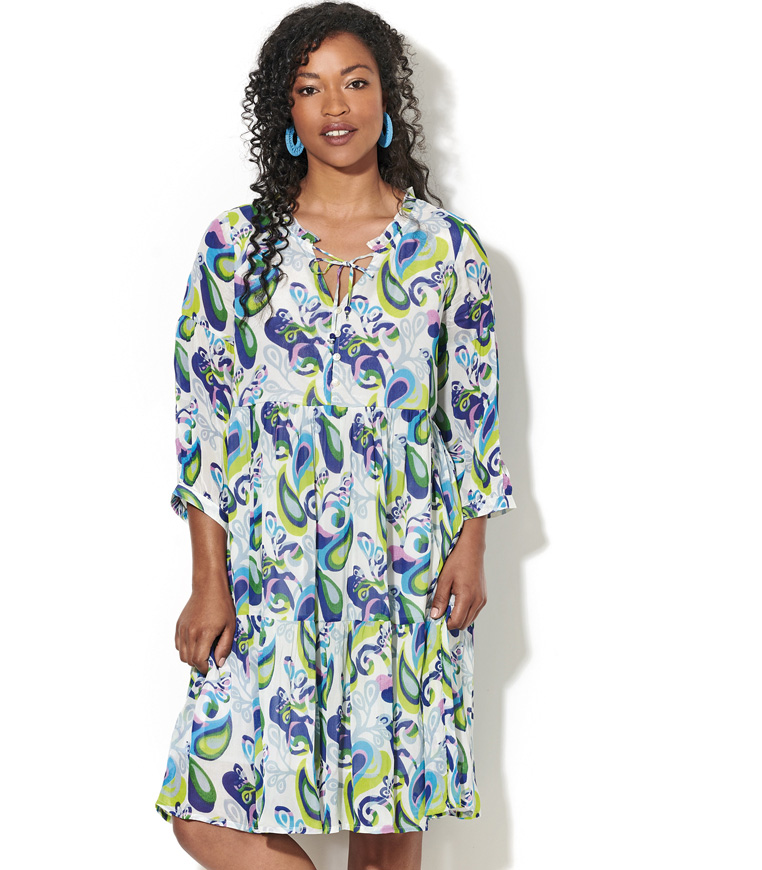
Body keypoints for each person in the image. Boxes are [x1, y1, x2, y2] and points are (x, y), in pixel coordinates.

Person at [153, 3, 516, 868]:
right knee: (204, 811)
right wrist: (208, 583)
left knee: (387, 819)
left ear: (388, 97)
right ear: (285, 110)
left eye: (355, 82)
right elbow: (203, 421)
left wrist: (471, 552)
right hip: (270, 567)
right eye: (310, 88)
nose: (336, 105)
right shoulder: (236, 248)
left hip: (406, 559)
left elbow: (472, 416)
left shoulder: (447, 251)